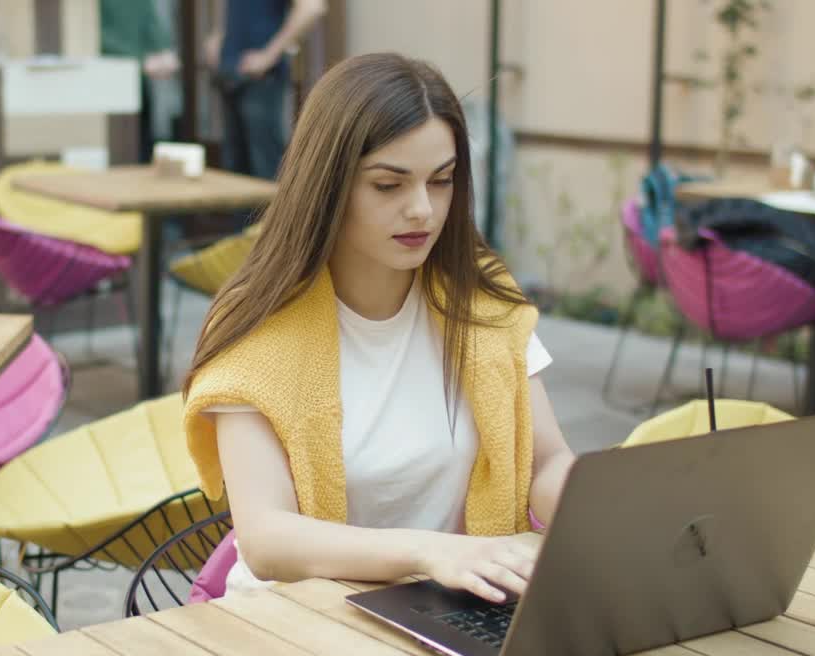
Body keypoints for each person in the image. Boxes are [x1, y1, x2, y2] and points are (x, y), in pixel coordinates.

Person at [182, 54, 577, 603]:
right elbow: (266, 538)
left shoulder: (482, 302)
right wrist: (431, 552)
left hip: (450, 608)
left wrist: (595, 510)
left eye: (441, 181)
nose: (423, 210)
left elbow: (549, 460)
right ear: (328, 186)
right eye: (388, 185)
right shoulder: (258, 326)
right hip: (297, 622)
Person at [203, 0, 326, 180]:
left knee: (265, 169)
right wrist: (218, 36)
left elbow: (312, 7)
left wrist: (270, 54)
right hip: (231, 75)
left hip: (262, 78)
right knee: (235, 169)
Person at [100, 0, 180, 162]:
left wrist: (164, 51)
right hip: (106, 82)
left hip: (138, 84)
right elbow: (93, 34)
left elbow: (151, 22)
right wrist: (141, 60)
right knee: (117, 154)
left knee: (139, 150)